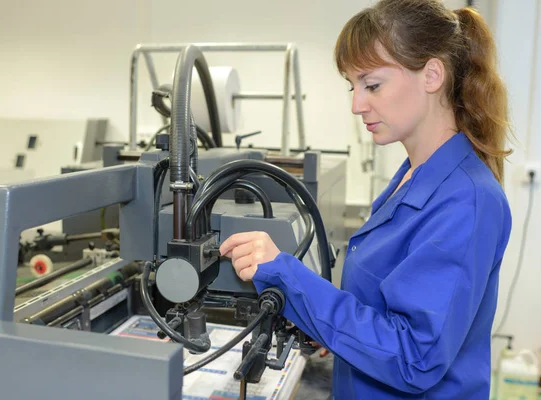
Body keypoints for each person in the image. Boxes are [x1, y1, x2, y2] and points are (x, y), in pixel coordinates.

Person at [219, 0, 512, 398]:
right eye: (353, 87)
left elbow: (414, 358)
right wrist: (326, 325)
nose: (357, 105)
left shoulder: (467, 201)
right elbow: (385, 309)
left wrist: (286, 274)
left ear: (432, 75)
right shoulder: (411, 178)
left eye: (371, 85)